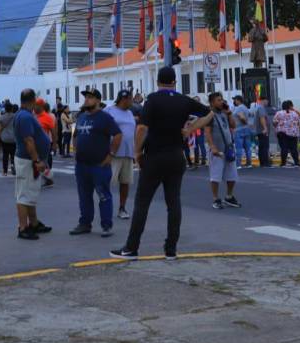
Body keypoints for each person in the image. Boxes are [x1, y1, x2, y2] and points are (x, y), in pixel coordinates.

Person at [111, 67, 213, 261]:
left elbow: (142, 128)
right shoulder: (184, 100)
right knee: (173, 203)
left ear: (158, 82)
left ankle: (131, 248)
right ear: (174, 82)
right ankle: (171, 249)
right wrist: (190, 129)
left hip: (155, 156)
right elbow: (209, 114)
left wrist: (137, 151)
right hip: (176, 155)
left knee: (142, 203)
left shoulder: (152, 100)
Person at [69, 88, 121, 237]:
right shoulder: (81, 117)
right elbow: (76, 135)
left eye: (90, 97)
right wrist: (75, 152)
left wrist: (111, 155)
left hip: (99, 165)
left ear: (98, 100)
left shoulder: (105, 118)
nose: (86, 100)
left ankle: (106, 225)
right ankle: (85, 223)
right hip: (82, 165)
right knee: (84, 196)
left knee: (103, 195)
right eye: (86, 97)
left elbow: (117, 135)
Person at [13, 89, 53, 240]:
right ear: (33, 101)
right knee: (23, 196)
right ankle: (23, 228)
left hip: (28, 160)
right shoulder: (24, 117)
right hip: (28, 161)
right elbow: (28, 141)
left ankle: (34, 223)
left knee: (29, 194)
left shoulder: (25, 115)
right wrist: (37, 160)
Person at [105, 90, 138, 220]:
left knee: (125, 182)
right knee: (108, 182)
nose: (132, 102)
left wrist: (135, 151)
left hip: (128, 153)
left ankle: (122, 208)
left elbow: (132, 132)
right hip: (114, 153)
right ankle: (106, 208)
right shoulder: (109, 111)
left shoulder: (130, 113)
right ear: (124, 99)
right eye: (130, 99)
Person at [205, 92, 242, 207]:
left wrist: (229, 113)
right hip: (217, 150)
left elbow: (233, 125)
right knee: (216, 176)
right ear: (212, 102)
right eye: (218, 100)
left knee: (232, 175)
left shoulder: (224, 113)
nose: (221, 102)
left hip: (228, 148)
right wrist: (212, 147)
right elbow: (207, 132)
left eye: (222, 100)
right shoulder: (209, 115)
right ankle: (216, 199)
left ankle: (229, 196)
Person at [272, 100, 300, 167]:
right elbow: (298, 122)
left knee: (284, 148)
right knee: (293, 148)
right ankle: (296, 162)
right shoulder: (294, 113)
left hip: (282, 133)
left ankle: (283, 163)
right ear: (290, 106)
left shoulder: (279, 113)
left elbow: (274, 123)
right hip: (293, 134)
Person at [35, 100, 56, 186]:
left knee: (41, 163)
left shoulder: (47, 117)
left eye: (36, 105)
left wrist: (55, 144)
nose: (34, 107)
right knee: (41, 163)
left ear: (41, 106)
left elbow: (53, 132)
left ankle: (47, 179)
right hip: (35, 144)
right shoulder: (34, 116)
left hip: (43, 145)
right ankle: (48, 179)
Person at [231, 96, 253, 168]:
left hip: (239, 129)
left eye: (235, 100)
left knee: (239, 148)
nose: (234, 101)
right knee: (248, 147)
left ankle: (238, 164)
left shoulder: (239, 108)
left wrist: (245, 122)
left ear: (238, 100)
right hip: (247, 129)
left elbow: (242, 117)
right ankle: (249, 163)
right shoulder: (245, 107)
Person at [251, 94, 271, 167]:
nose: (267, 102)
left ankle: (263, 162)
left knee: (262, 147)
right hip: (262, 131)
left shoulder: (258, 108)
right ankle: (265, 162)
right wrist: (265, 128)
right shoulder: (261, 108)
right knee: (264, 147)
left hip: (259, 131)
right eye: (267, 101)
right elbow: (262, 118)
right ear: (264, 100)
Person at [0, 101, 18, 175]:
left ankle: (5, 171)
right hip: (14, 138)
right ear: (12, 108)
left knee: (5, 155)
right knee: (14, 154)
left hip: (5, 139)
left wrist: (1, 135)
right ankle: (13, 165)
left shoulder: (2, 117)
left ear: (5, 109)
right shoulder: (16, 116)